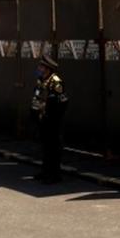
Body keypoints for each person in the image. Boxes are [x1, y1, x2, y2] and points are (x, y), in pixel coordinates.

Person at [30, 54, 68, 184]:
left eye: (41, 66)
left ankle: (55, 175)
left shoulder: (56, 82)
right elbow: (37, 96)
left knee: (54, 148)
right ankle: (45, 171)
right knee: (45, 146)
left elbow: (62, 102)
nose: (39, 68)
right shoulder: (41, 80)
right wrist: (35, 113)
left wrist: (52, 117)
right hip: (43, 119)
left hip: (54, 121)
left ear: (47, 68)